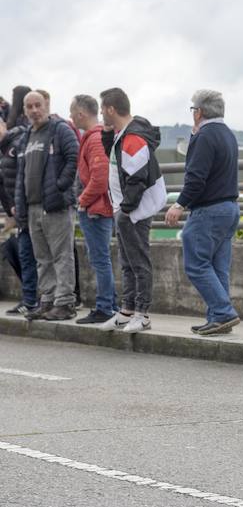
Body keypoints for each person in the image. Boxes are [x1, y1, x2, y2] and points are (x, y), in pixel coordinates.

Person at [164, 89, 241, 336]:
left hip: (208, 210)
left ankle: (223, 312)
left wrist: (179, 204)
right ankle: (217, 318)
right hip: (230, 208)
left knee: (196, 264)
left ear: (199, 112)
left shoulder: (205, 136)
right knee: (218, 267)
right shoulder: (227, 134)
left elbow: (196, 178)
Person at [98, 88, 167, 334]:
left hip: (135, 210)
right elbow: (117, 162)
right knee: (127, 261)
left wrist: (126, 210)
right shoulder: (122, 135)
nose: (101, 114)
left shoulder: (134, 137)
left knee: (139, 262)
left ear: (110, 109)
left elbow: (137, 177)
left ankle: (142, 313)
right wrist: (107, 136)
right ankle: (127, 311)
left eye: (102, 109)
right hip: (125, 209)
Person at [14, 90, 80, 320]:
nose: (34, 110)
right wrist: (19, 206)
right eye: (29, 107)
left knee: (62, 256)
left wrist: (60, 186)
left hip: (56, 205)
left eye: (38, 105)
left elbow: (74, 157)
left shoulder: (59, 129)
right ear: (24, 110)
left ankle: (65, 303)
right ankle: (48, 300)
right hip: (33, 207)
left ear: (46, 105)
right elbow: (20, 174)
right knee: (42, 257)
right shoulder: (26, 136)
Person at [69, 94, 118, 324]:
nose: (71, 117)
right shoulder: (94, 137)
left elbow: (100, 177)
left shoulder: (95, 139)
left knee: (100, 259)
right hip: (97, 208)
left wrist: (82, 200)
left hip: (96, 210)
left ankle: (105, 307)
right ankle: (111, 305)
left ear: (81, 114)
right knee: (100, 258)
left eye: (72, 113)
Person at [1, 86, 38, 315]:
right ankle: (30, 299)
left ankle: (38, 299)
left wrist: (16, 208)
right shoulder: (7, 145)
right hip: (16, 209)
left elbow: (22, 176)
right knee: (21, 252)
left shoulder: (18, 141)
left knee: (34, 254)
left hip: (26, 207)